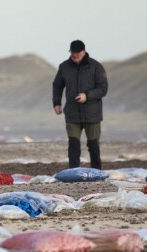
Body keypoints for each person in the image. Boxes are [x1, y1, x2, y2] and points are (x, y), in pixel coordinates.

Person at [52, 39, 108, 170]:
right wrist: (57, 103)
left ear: (84, 52)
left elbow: (103, 88)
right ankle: (73, 173)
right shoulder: (64, 67)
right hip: (72, 113)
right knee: (73, 145)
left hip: (92, 114)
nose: (75, 55)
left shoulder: (96, 67)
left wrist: (87, 96)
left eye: (77, 52)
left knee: (93, 146)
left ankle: (97, 173)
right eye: (72, 52)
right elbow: (57, 86)